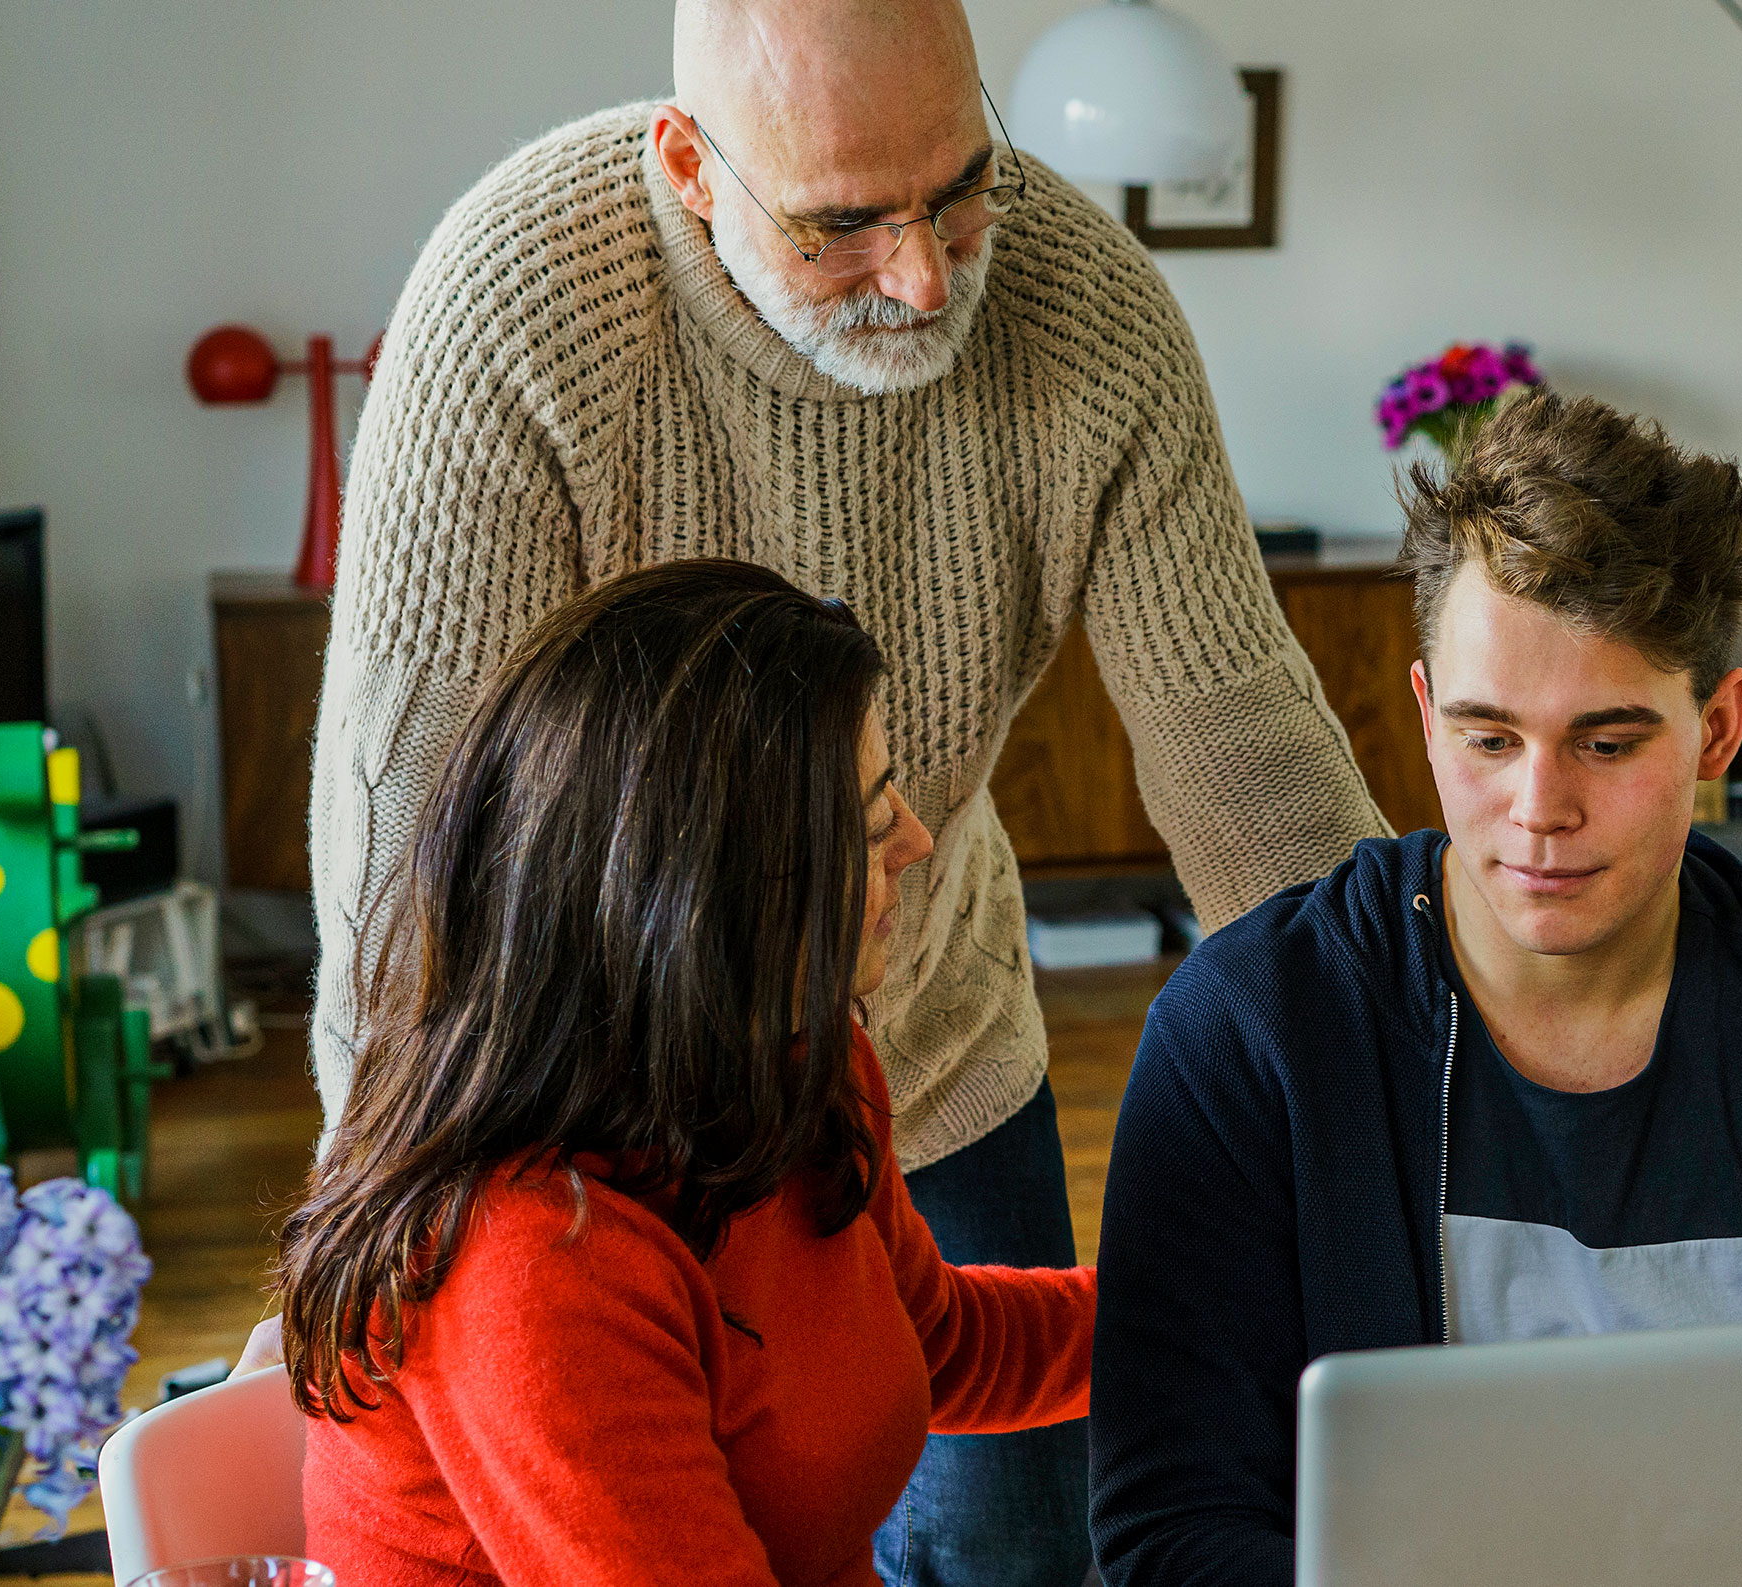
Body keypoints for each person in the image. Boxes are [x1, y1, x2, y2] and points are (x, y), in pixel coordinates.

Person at [291, 1, 1386, 1579]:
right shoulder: (513, 319)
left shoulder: (833, 1070)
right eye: (843, 224)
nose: (928, 272)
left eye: (960, 188)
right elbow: (402, 864)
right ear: (689, 167)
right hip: (584, 1093)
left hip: (849, 1019)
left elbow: (1253, 767)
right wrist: (384, 1243)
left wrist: (1388, 1136)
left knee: (1013, 1538)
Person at [1086, 394, 1742, 1587]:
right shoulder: (1249, 1033)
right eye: (1489, 740)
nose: (1540, 812)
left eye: (1607, 742)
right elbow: (1169, 1538)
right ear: (1428, 718)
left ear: (1719, 730)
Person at [282, 561, 1094, 1587]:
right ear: (712, 886)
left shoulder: (796, 1064)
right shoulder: (533, 1259)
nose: (921, 844)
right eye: (875, 820)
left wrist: (1231, 1303)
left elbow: (938, 1340)